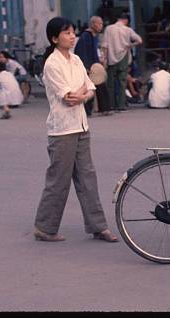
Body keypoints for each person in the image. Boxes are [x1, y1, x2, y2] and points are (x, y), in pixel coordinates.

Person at [33, 16, 118, 243]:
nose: (72, 36)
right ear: (54, 38)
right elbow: (68, 97)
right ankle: (44, 227)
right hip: (62, 130)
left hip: (81, 126)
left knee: (87, 178)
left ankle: (98, 226)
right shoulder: (52, 64)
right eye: (67, 33)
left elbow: (90, 88)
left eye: (73, 32)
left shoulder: (77, 60)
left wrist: (81, 93)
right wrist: (80, 93)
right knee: (58, 181)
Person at [101, 12, 142, 112]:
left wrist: (104, 59)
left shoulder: (109, 29)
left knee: (110, 82)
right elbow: (139, 40)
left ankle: (111, 105)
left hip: (111, 58)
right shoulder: (128, 30)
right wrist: (129, 45)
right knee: (122, 82)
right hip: (123, 57)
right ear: (126, 20)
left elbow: (104, 45)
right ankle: (121, 105)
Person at [74, 16, 112, 116]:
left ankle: (104, 108)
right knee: (88, 88)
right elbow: (82, 52)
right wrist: (86, 67)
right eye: (99, 24)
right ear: (93, 24)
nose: (101, 26)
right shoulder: (86, 36)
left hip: (95, 65)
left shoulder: (94, 36)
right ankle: (87, 110)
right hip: (88, 67)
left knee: (100, 85)